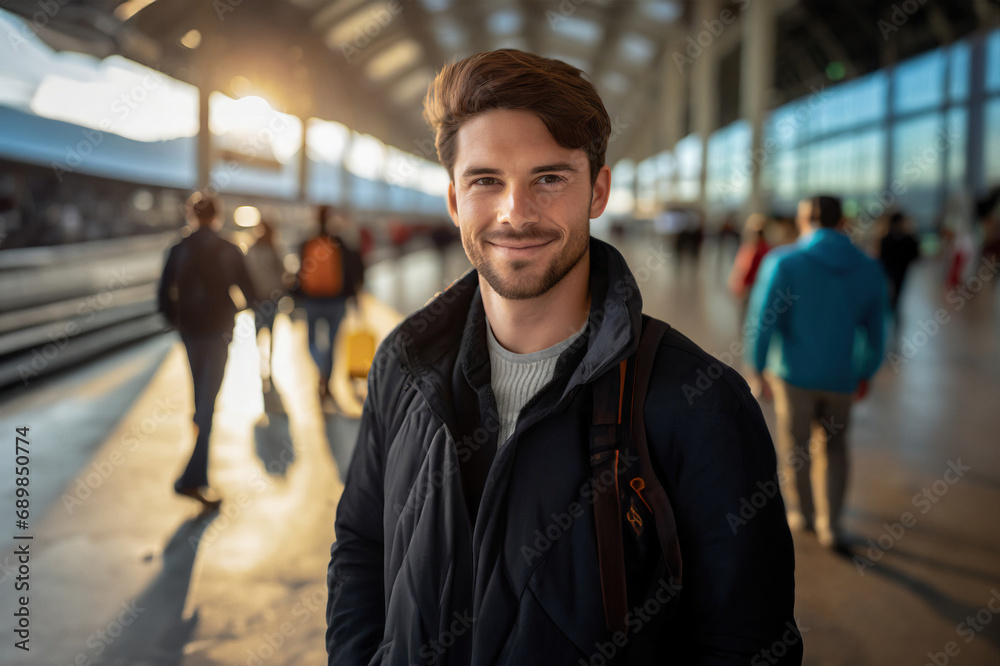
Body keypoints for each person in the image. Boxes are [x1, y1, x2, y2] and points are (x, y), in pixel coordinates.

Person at [327, 49, 800, 665]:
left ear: (597, 191)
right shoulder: (405, 366)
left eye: (549, 178)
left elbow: (746, 645)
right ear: (453, 199)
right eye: (486, 180)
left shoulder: (699, 404)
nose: (514, 212)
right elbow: (363, 544)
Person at [745, 195, 888, 550]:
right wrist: (865, 370)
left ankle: (805, 515)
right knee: (836, 448)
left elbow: (764, 319)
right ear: (842, 222)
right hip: (842, 377)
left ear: (806, 219)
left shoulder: (785, 262)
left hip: (793, 376)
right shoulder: (868, 267)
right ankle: (832, 524)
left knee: (796, 448)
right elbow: (878, 328)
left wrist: (757, 366)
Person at [157, 191, 257, 509]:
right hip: (218, 332)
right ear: (217, 216)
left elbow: (162, 293)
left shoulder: (177, 248)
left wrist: (178, 321)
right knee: (207, 403)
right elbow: (249, 290)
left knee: (200, 397)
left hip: (190, 332)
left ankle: (193, 473)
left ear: (191, 215)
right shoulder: (228, 247)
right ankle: (192, 480)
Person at [296, 206, 364, 403]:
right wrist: (354, 296)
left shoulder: (307, 243)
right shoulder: (340, 243)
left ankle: (321, 371)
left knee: (311, 341)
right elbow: (355, 269)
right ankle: (327, 380)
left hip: (312, 300)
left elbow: (299, 272)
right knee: (332, 344)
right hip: (336, 300)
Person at [245, 219, 290, 393]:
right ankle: (268, 366)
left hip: (256, 298)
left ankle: (257, 365)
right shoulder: (274, 248)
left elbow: (246, 273)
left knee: (257, 333)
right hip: (271, 298)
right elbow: (283, 272)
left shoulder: (252, 248)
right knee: (271, 333)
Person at [878, 211, 920, 323]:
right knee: (892, 291)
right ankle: (892, 308)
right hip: (893, 269)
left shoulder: (905, 239)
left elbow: (915, 253)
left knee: (896, 291)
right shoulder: (889, 239)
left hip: (898, 270)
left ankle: (893, 308)